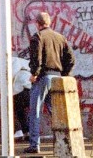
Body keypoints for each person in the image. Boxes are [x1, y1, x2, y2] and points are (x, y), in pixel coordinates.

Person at [25, 11, 75, 155]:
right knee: (56, 112)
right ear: (49, 22)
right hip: (57, 78)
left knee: (35, 112)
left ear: (37, 23)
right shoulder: (60, 38)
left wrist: (34, 74)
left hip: (43, 77)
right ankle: (64, 142)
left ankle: (34, 145)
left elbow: (37, 59)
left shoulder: (38, 37)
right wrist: (65, 74)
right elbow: (71, 58)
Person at [0, 46, 32, 141]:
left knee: (10, 110)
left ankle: (18, 131)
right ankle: (26, 132)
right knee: (20, 111)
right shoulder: (17, 59)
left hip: (18, 90)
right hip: (30, 88)